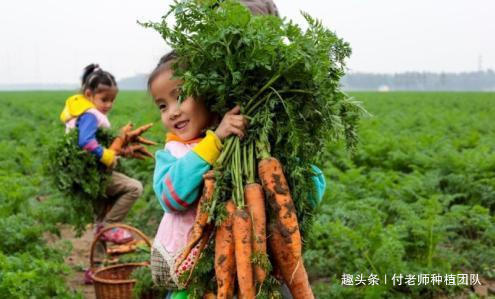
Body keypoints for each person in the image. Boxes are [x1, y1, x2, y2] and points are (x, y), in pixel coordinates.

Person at [59, 64, 144, 244]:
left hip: (86, 174)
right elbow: (86, 141)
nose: (109, 105)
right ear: (89, 95)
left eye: (112, 100)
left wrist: (118, 150)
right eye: (104, 100)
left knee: (100, 215)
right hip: (91, 175)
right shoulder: (90, 115)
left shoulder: (82, 112)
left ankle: (96, 266)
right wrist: (105, 154)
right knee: (134, 188)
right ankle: (110, 226)